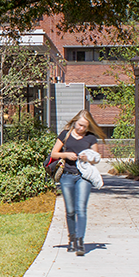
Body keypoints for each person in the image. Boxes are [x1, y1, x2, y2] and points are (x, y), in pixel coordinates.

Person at [50, 109, 107, 256]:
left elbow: (96, 158)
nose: (81, 129)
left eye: (85, 127)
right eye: (80, 125)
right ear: (75, 121)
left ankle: (80, 242)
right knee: (70, 210)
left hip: (84, 177)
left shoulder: (91, 138)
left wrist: (87, 158)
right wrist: (66, 154)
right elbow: (54, 153)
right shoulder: (65, 134)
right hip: (67, 175)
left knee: (81, 208)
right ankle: (72, 239)